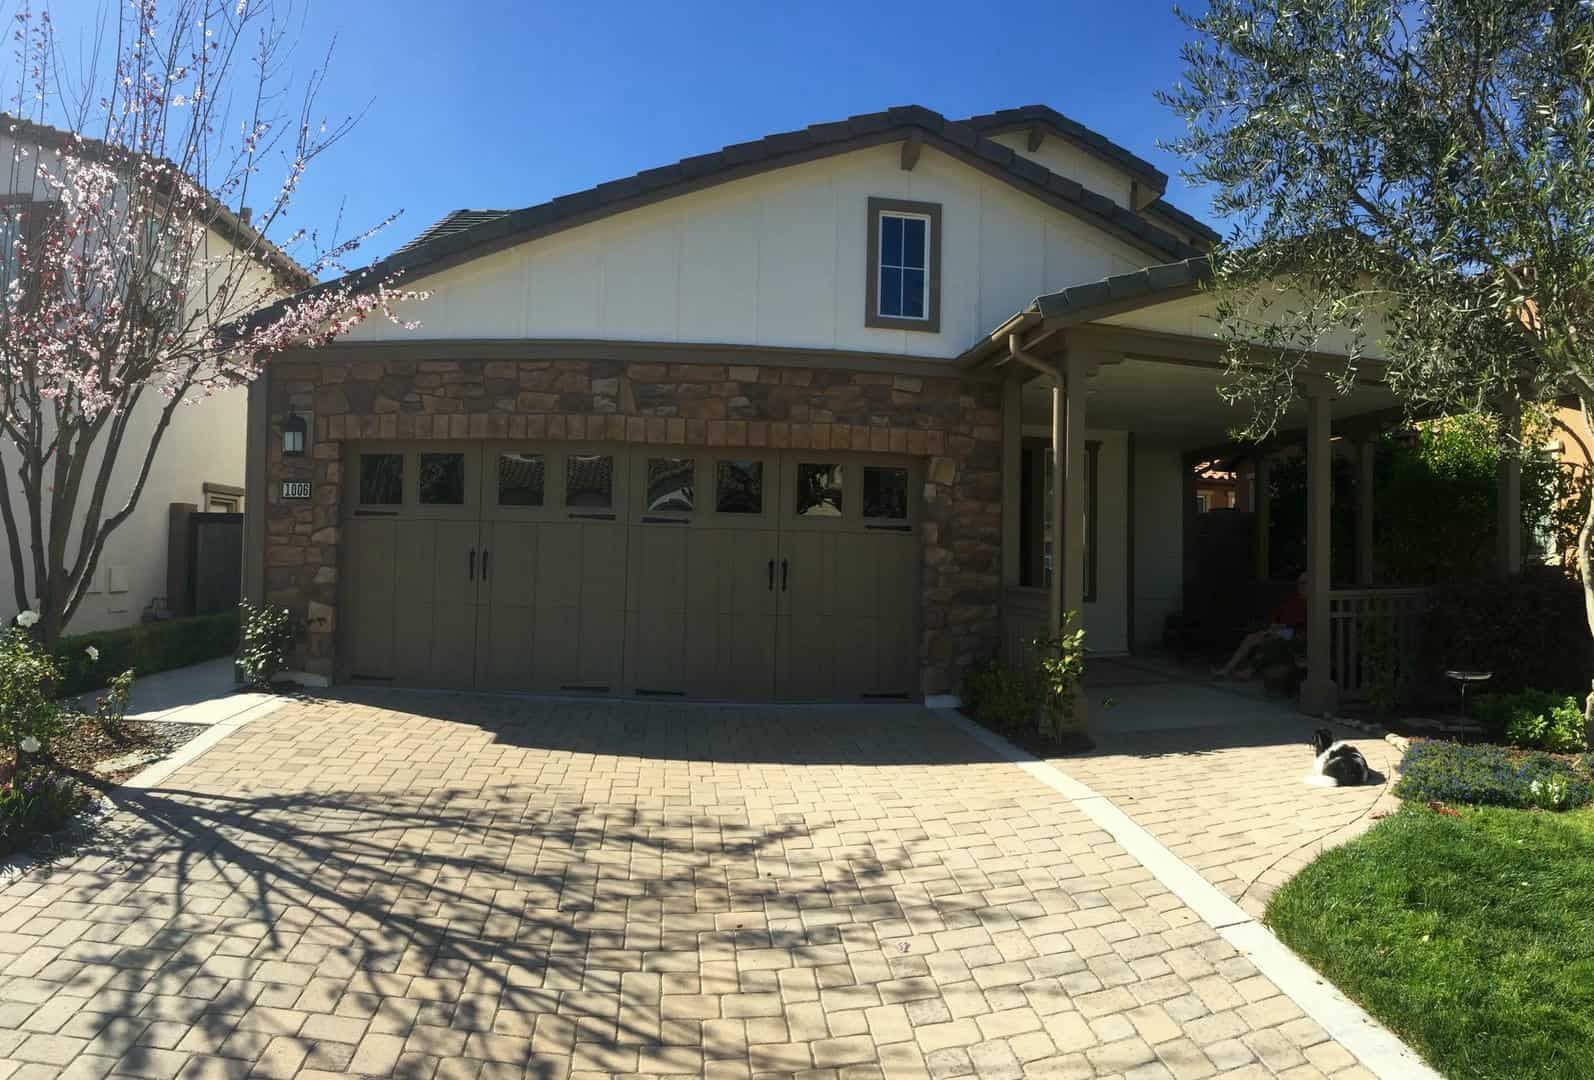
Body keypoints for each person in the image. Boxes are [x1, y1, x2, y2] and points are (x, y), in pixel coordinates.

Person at [1215, 572, 1309, 678]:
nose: (1300, 586)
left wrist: (1280, 628)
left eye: (1304, 583)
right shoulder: (1292, 600)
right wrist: (1274, 626)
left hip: (1297, 634)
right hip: (1280, 630)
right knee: (1252, 637)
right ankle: (1227, 669)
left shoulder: (1313, 602)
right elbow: (1277, 616)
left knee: (1270, 636)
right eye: (1299, 583)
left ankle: (1249, 670)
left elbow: (1302, 625)